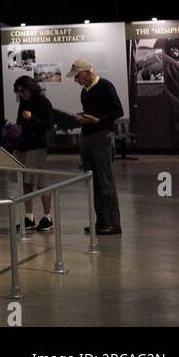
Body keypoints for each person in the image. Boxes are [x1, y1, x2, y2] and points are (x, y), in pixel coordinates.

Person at [70, 58, 123, 235]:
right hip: (87, 137)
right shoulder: (85, 91)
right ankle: (101, 221)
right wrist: (83, 117)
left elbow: (118, 111)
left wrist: (98, 120)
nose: (75, 80)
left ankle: (113, 223)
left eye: (77, 76)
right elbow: (92, 110)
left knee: (105, 181)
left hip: (101, 137)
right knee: (93, 181)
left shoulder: (105, 86)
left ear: (86, 73)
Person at [12, 76, 54, 231]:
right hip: (23, 145)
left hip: (37, 146)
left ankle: (47, 217)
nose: (21, 94)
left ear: (30, 88)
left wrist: (32, 118)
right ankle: (29, 216)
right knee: (26, 182)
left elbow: (48, 125)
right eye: (18, 92)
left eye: (22, 91)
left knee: (41, 182)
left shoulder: (43, 102)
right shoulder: (24, 102)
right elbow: (20, 121)